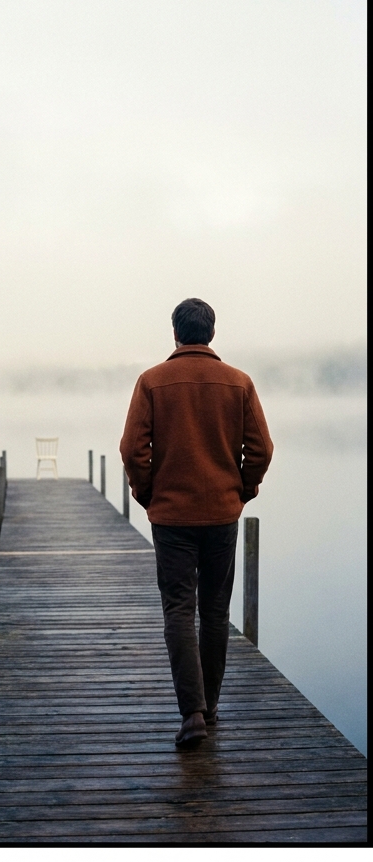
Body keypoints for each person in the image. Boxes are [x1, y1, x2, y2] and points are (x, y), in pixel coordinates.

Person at [119, 298, 274, 748]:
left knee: (179, 610)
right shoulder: (239, 383)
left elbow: (133, 450)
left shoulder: (151, 381)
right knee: (215, 611)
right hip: (222, 515)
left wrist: (147, 493)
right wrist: (242, 490)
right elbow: (261, 449)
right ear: (211, 333)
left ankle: (192, 716)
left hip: (172, 518)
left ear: (175, 333)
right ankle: (210, 705)